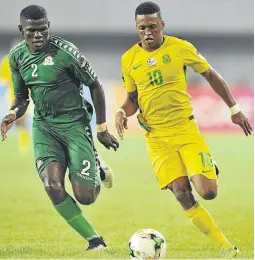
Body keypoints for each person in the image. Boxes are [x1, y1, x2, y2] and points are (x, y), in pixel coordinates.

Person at [115, 1, 252, 258]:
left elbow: (211, 75)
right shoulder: (129, 59)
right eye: (142, 28)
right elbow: (132, 98)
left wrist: (234, 110)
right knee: (181, 193)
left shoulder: (180, 48)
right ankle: (226, 248)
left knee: (208, 192)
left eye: (152, 26)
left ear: (162, 25)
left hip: (185, 130)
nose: (147, 32)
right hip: (156, 138)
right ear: (136, 28)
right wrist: (122, 111)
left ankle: (208, 166)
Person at [1, 5, 119, 251]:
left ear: (49, 27)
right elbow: (22, 97)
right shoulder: (16, 57)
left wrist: (101, 128)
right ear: (21, 30)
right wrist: (12, 113)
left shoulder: (67, 53)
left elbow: (95, 85)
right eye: (32, 31)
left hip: (75, 124)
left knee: (86, 196)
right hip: (44, 127)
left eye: (43, 30)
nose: (38, 36)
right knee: (51, 185)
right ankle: (95, 241)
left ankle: (96, 163)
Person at [0, 40, 30, 154]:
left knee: (22, 118)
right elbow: (3, 79)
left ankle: (24, 143)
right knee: (17, 120)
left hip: (25, 94)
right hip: (12, 95)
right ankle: (23, 142)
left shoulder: (25, 59)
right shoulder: (6, 61)